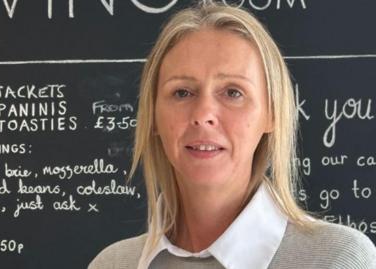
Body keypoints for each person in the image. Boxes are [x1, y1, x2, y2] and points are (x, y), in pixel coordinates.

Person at [89, 1, 376, 268]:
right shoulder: (114, 263)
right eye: (182, 92)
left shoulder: (338, 259)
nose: (203, 115)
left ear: (271, 114)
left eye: (233, 92)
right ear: (153, 115)